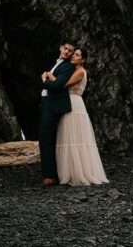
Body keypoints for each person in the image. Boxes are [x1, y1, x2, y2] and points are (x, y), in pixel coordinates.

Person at [45, 47, 109, 185]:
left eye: (77, 55)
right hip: (69, 102)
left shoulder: (80, 72)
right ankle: (69, 171)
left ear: (83, 59)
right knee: (68, 137)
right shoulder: (73, 70)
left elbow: (62, 85)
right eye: (73, 54)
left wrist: (49, 76)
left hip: (74, 103)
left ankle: (78, 173)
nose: (73, 56)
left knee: (74, 137)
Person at [38, 41, 75, 187]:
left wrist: (44, 80)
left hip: (53, 105)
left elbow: (57, 86)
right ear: (60, 47)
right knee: (45, 138)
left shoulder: (67, 66)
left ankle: (50, 176)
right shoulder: (58, 63)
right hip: (47, 103)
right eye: (65, 48)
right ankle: (50, 173)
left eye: (70, 50)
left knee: (46, 138)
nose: (67, 52)